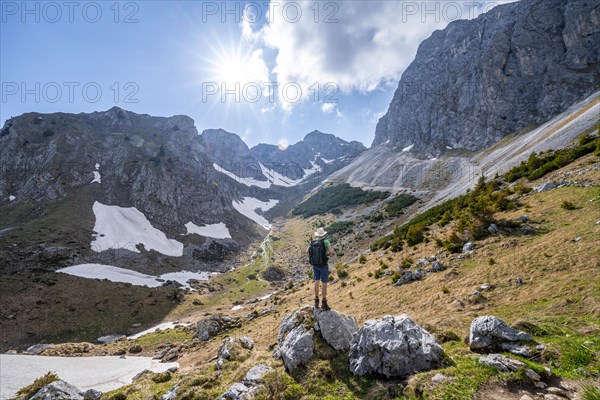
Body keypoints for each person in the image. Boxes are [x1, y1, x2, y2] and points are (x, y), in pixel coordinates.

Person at [310, 227, 334, 311]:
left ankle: (316, 300)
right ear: (323, 234)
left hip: (315, 265)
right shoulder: (326, 242)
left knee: (316, 281)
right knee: (324, 283)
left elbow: (307, 252)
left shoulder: (313, 242)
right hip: (323, 265)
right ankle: (324, 302)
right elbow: (331, 252)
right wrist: (329, 255)